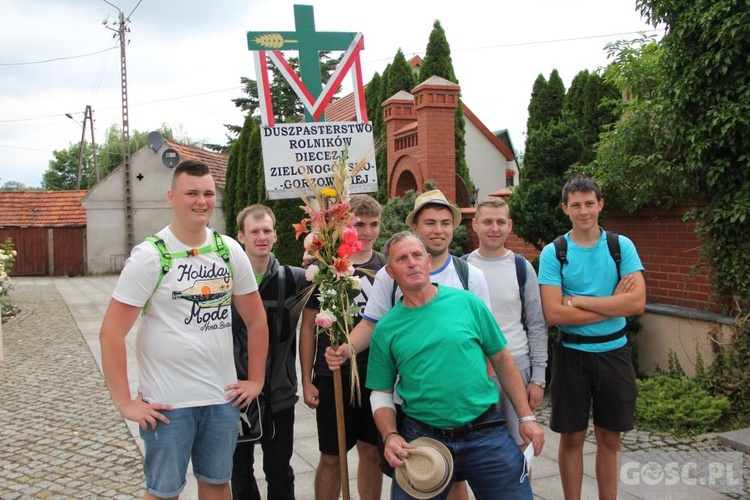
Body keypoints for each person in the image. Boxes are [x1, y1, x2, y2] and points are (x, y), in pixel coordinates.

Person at [99, 160, 269, 500]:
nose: (201, 201)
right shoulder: (151, 256)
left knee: (218, 485)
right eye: (191, 193)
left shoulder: (229, 250)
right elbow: (111, 333)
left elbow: (256, 320)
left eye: (208, 193)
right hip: (167, 404)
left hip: (220, 399)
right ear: (171, 197)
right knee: (163, 493)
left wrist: (255, 380)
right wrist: (124, 402)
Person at [326, 189, 490, 500]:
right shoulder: (390, 275)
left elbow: (487, 342)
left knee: (456, 479)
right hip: (409, 401)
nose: (438, 230)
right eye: (430, 222)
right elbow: (371, 324)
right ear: (414, 226)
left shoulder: (470, 276)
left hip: (460, 402)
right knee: (417, 474)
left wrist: (483, 388)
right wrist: (347, 349)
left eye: (444, 223)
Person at [368, 232, 545, 499]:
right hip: (423, 439)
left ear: (428, 261)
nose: (412, 263)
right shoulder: (386, 329)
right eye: (402, 259)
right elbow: (380, 392)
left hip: (485, 433)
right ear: (391, 272)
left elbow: (502, 359)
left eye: (417, 255)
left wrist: (526, 417)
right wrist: (390, 435)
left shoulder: (468, 303)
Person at [538, 175, 646, 500]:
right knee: (571, 439)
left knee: (610, 440)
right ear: (565, 209)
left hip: (614, 355)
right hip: (572, 355)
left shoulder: (620, 246)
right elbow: (554, 314)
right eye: (576, 205)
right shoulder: (553, 252)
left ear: (600, 204)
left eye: (589, 203)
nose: (583, 211)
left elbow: (637, 303)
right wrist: (613, 304)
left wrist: (580, 301)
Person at [299, 194, 386, 500]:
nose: (367, 231)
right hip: (331, 371)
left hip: (374, 374)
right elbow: (308, 327)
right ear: (347, 225)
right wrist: (306, 378)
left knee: (372, 452)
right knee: (332, 455)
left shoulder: (386, 268)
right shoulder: (326, 266)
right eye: (360, 224)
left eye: (374, 224)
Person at [231, 205, 308, 500]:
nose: (261, 237)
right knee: (239, 472)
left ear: (275, 235)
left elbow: (334, 281)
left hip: (279, 393)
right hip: (237, 393)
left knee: (279, 470)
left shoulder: (296, 280)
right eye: (254, 232)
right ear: (241, 236)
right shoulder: (225, 283)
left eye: (266, 231)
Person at [466, 196, 548, 449]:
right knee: (475, 449)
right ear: (475, 225)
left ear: (510, 226)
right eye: (487, 221)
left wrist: (538, 377)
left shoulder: (522, 268)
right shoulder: (462, 267)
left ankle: (520, 490)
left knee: (521, 446)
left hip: (517, 366)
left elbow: (536, 324)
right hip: (475, 371)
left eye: (500, 222)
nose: (494, 228)